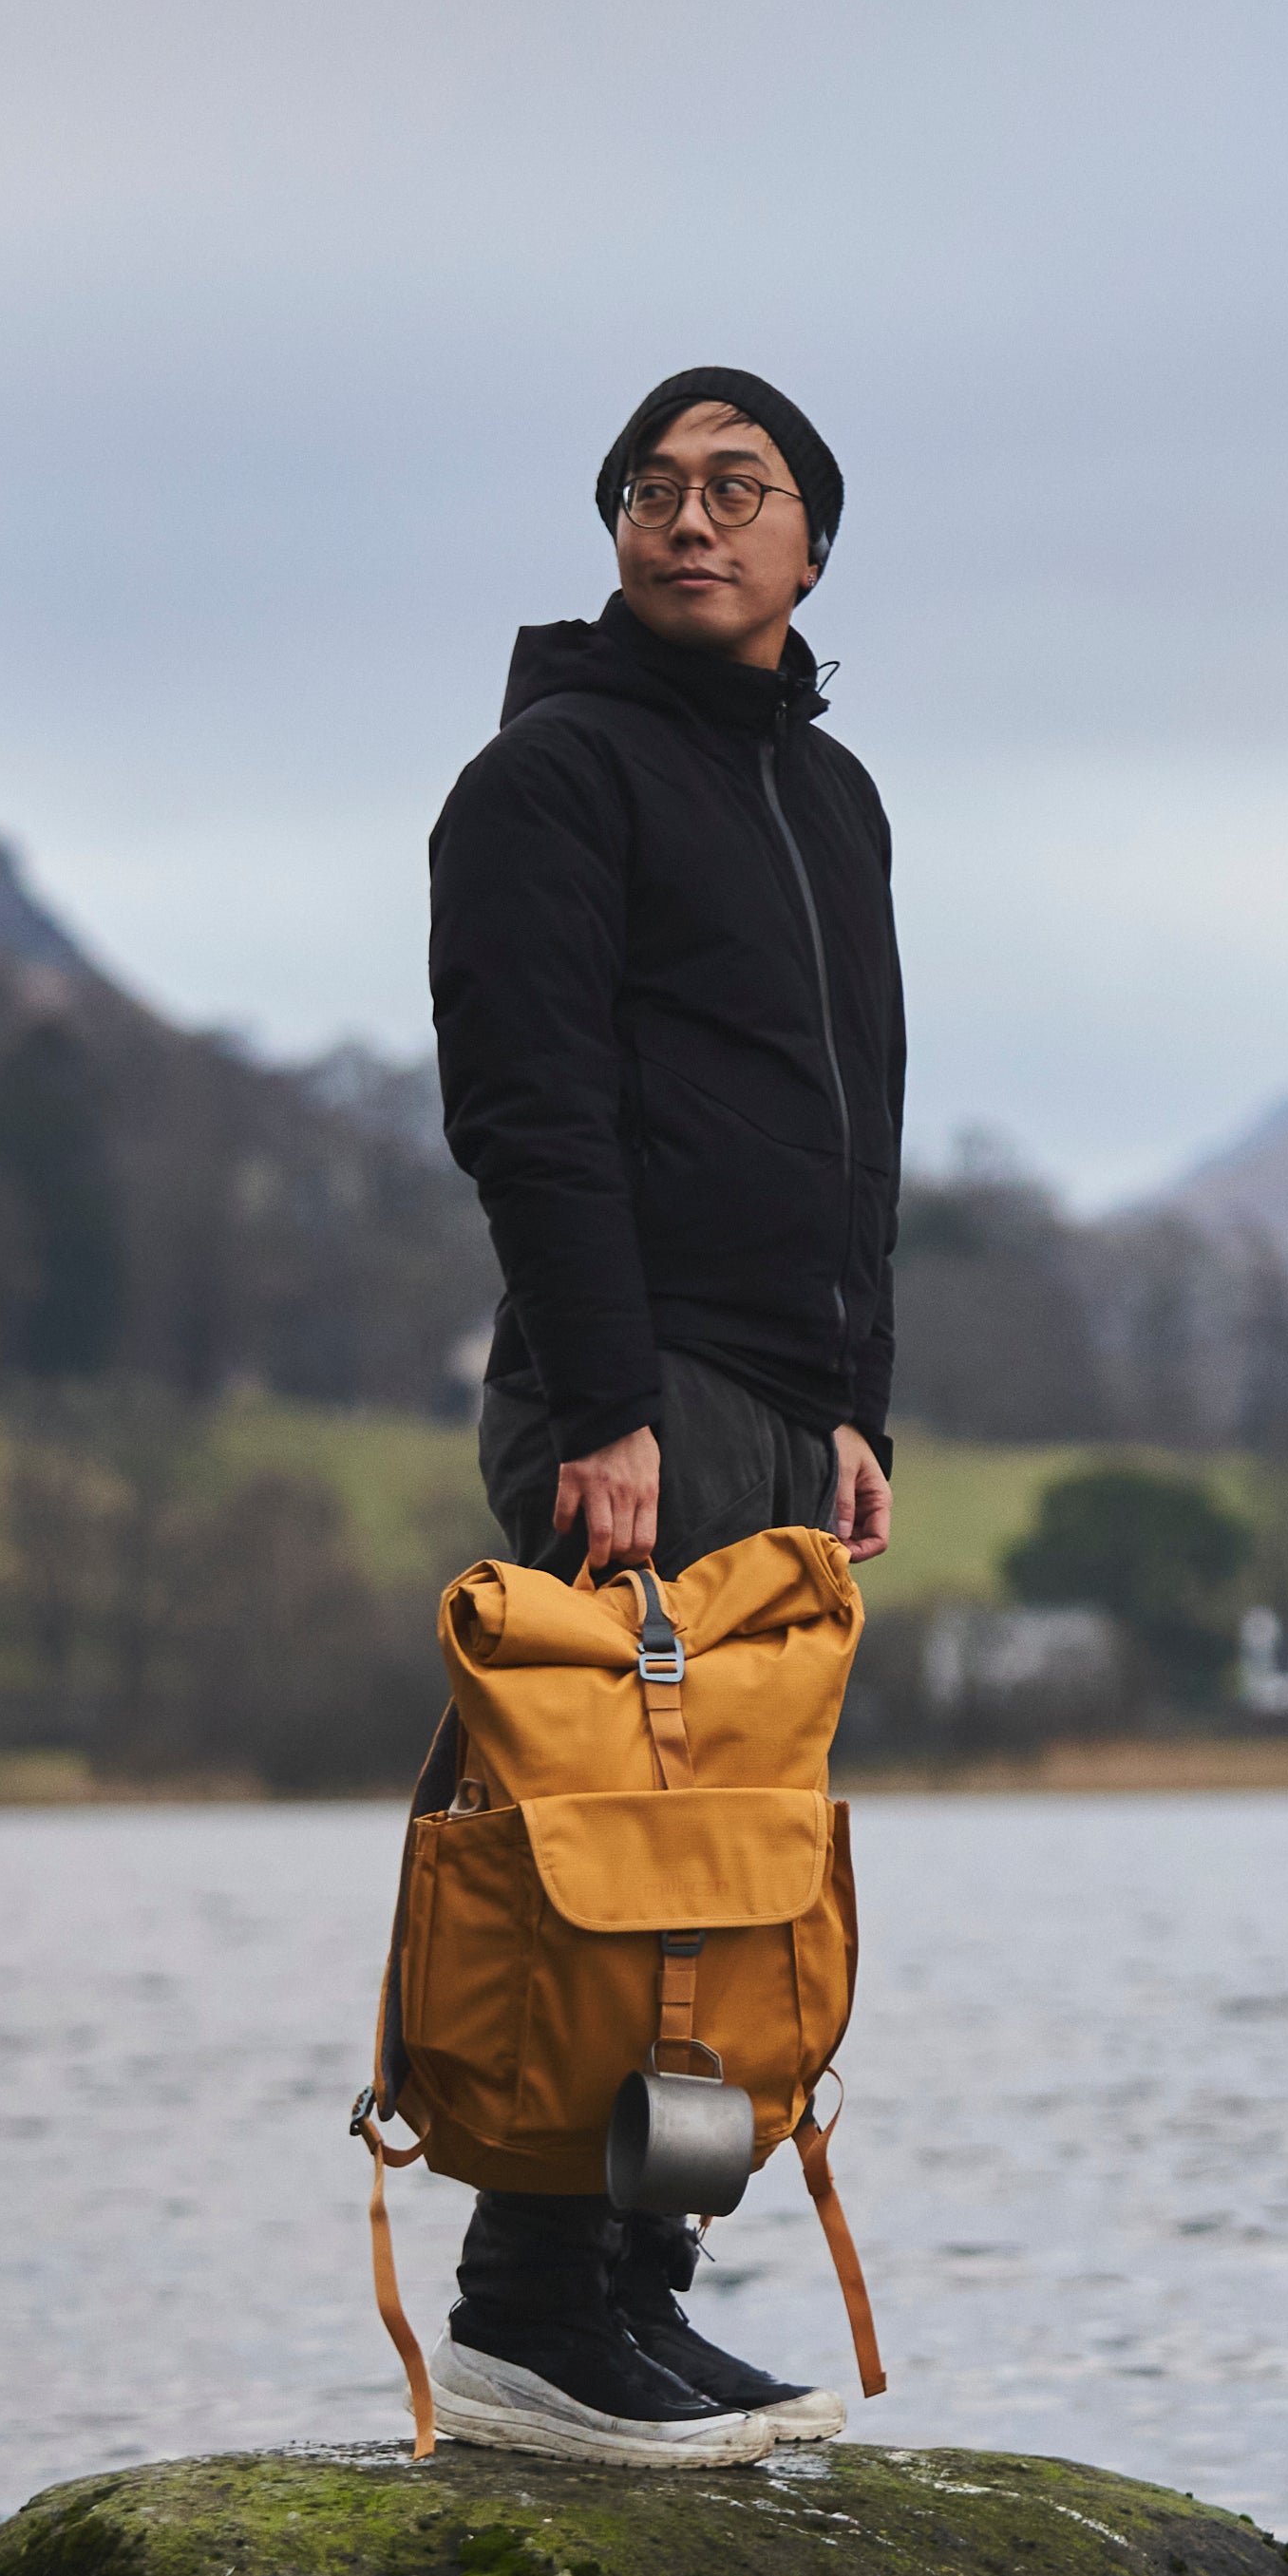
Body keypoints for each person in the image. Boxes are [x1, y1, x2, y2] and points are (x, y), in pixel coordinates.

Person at [422, 364, 904, 2465]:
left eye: (738, 487)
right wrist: (603, 1402)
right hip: (629, 1389)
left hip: (783, 1407)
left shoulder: (833, 796)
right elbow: (530, 1119)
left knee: (728, 1881)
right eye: (651, 488)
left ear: (811, 541)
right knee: (597, 1855)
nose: (687, 519)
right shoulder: (547, 785)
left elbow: (858, 1122)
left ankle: (646, 2286)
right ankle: (531, 2305)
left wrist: (856, 1400)